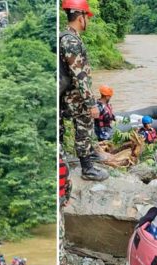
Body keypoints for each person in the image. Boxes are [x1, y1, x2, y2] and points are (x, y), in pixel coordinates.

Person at [59, 0, 108, 181]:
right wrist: (91, 104)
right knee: (84, 125)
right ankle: (87, 167)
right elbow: (79, 76)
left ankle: (73, 159)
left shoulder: (65, 37)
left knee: (64, 130)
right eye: (87, 17)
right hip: (73, 96)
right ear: (81, 18)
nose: (88, 21)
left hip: (65, 94)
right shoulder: (70, 41)